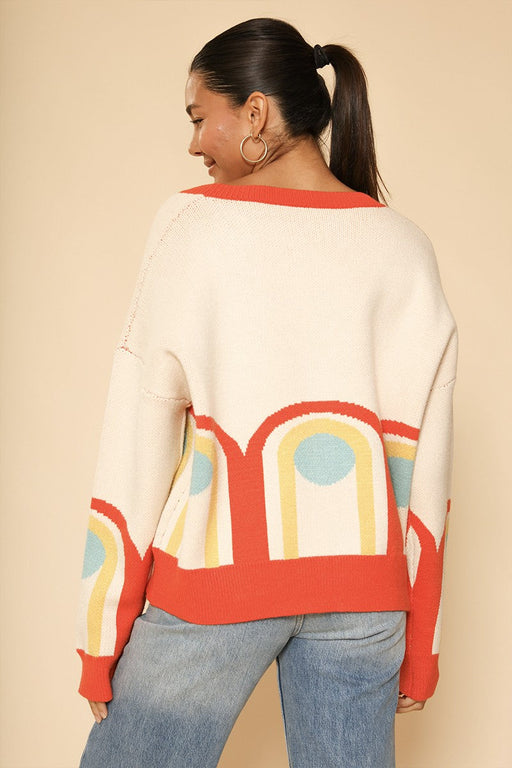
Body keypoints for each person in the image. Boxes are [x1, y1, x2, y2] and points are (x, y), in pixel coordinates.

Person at [76, 17, 458, 768]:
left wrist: (101, 635)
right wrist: (422, 648)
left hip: (217, 584)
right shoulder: (406, 246)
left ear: (254, 113)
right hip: (368, 599)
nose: (194, 143)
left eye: (199, 117)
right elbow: (427, 457)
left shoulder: (191, 225)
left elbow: (138, 430)